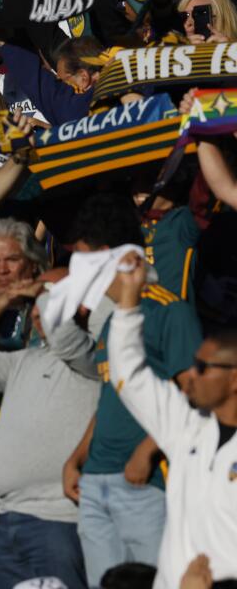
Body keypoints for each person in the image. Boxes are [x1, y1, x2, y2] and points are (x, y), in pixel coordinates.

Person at [57, 198, 201, 588]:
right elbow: (111, 396)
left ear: (105, 257)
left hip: (145, 482)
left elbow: (197, 396)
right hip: (96, 479)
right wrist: (78, 457)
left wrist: (147, 450)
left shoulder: (170, 310)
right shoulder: (116, 318)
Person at [0, 280, 100, 589]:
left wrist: (43, 290)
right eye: (34, 307)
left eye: (48, 302)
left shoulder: (91, 356)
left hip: (59, 519)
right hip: (9, 519)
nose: (35, 312)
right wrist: (1, 300)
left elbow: (65, 338)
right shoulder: (23, 360)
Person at [106, 252, 237, 588]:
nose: (190, 374)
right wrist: (127, 305)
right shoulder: (186, 425)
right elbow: (129, 378)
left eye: (203, 368)